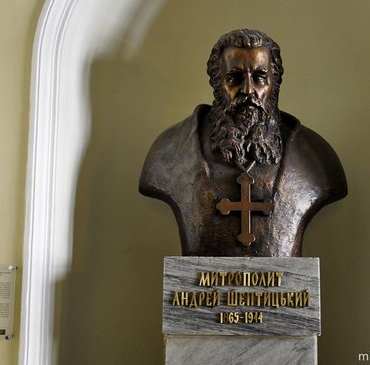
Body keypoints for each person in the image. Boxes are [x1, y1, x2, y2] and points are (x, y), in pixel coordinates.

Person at [139, 29, 347, 256]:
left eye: (259, 77)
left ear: (274, 84)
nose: (248, 90)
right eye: (234, 78)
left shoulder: (315, 158)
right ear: (217, 84)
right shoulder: (169, 152)